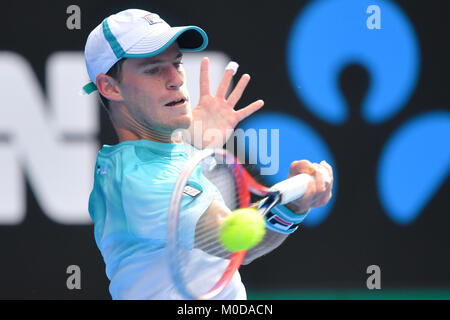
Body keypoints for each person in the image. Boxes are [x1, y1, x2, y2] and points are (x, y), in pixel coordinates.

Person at [84, 8, 333, 299]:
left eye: (176, 63)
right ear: (109, 87)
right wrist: (295, 204)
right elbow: (233, 239)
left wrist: (192, 143)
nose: (175, 78)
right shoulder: (138, 181)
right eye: (153, 69)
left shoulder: (152, 158)